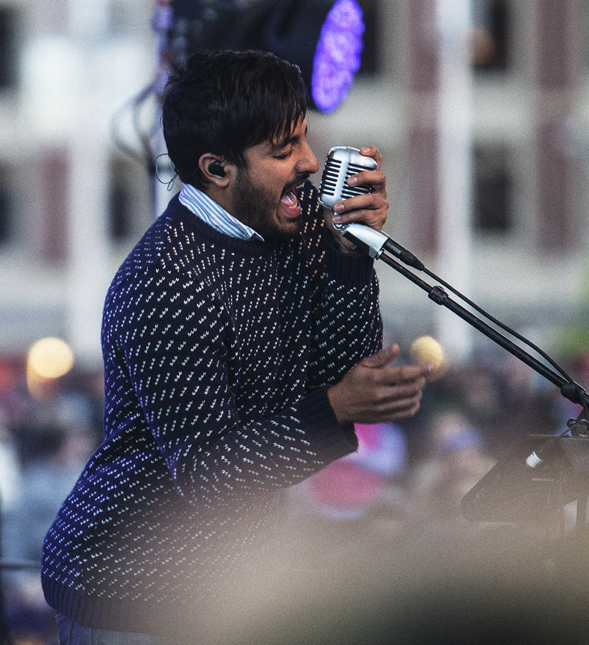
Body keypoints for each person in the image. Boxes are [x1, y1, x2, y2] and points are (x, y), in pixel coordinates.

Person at [40, 49, 433, 644]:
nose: (308, 162)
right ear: (217, 169)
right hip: (131, 588)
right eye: (282, 151)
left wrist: (352, 253)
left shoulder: (291, 230)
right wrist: (337, 408)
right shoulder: (166, 279)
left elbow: (342, 371)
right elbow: (207, 473)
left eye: (303, 138)